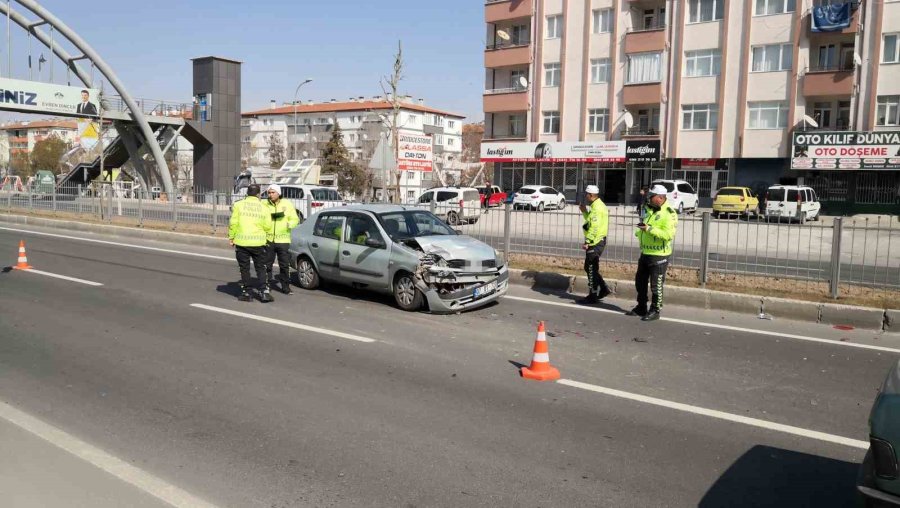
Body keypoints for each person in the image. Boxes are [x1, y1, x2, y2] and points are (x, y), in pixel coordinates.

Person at [629, 184, 678, 322]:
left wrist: (649, 229)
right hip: (645, 252)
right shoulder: (649, 209)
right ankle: (641, 307)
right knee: (640, 282)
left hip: (659, 255)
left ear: (661, 198)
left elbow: (668, 234)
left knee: (656, 285)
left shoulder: (669, 213)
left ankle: (655, 309)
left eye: (652, 196)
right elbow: (644, 224)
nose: (649, 199)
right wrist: (639, 232)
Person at [228, 184, 274, 303]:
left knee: (244, 268)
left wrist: (231, 237)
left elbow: (233, 223)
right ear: (259, 194)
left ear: (247, 193)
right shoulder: (264, 207)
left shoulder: (238, 205)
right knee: (260, 268)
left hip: (242, 242)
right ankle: (264, 292)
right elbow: (268, 226)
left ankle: (247, 293)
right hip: (258, 242)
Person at [263, 184, 300, 295]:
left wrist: (289, 224)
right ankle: (267, 285)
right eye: (269, 192)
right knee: (267, 264)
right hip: (268, 239)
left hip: (283, 240)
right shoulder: (264, 204)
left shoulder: (287, 204)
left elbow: (295, 219)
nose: (270, 195)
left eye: (273, 192)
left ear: (278, 193)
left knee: (284, 265)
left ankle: (285, 287)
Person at [577, 185, 611, 304]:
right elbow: (591, 222)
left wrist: (588, 241)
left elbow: (595, 227)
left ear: (591, 195)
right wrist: (585, 212)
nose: (586, 196)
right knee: (590, 267)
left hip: (596, 242)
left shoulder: (597, 208)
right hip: (597, 240)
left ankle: (593, 295)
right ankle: (603, 288)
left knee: (591, 268)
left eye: (587, 194)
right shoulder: (596, 205)